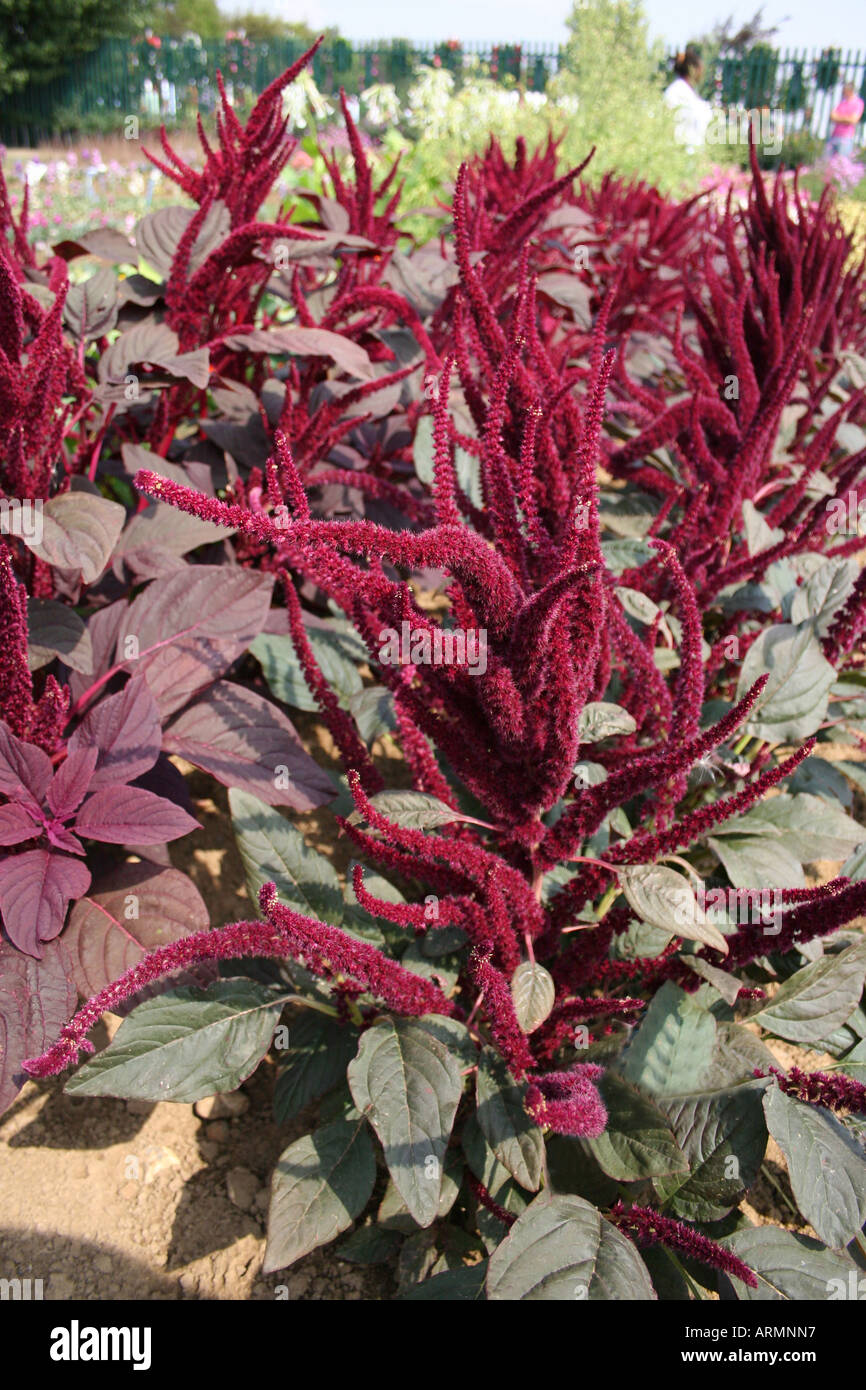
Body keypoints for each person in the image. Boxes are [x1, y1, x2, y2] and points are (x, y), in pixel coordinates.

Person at [664, 45, 712, 153]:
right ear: (692, 69)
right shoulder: (676, 92)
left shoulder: (689, 92)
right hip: (678, 153)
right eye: (700, 69)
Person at [827, 82, 864, 159]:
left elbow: (853, 120)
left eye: (844, 90)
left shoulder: (858, 103)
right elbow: (832, 116)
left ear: (850, 91)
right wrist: (846, 118)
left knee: (841, 162)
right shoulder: (842, 102)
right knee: (827, 161)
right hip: (834, 135)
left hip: (846, 137)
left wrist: (839, 118)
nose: (843, 92)